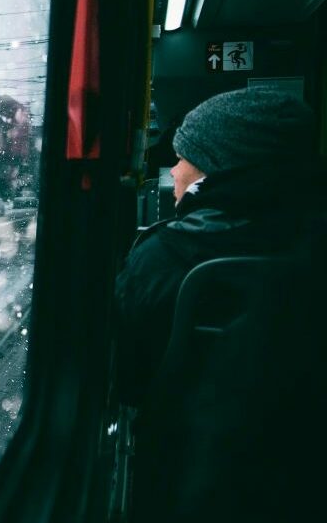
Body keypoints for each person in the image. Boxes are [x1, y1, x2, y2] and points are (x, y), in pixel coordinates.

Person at [115, 88, 324, 404]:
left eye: (184, 158)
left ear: (214, 168)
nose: (173, 171)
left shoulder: (163, 255)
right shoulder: (310, 242)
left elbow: (127, 378)